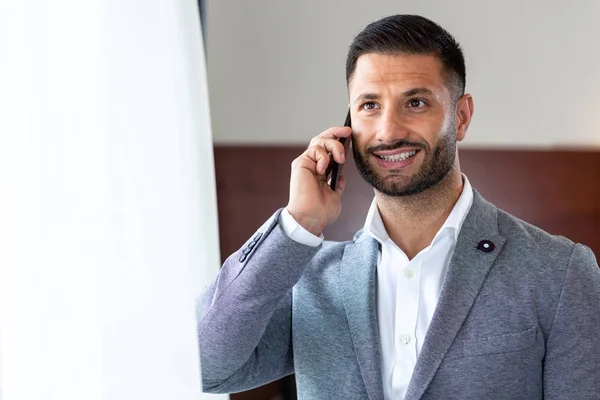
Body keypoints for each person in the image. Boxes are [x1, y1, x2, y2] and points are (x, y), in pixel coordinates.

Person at [197, 14, 600, 400]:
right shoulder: (310, 280)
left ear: (460, 117)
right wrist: (297, 224)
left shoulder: (560, 272)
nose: (388, 131)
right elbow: (207, 365)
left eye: (416, 103)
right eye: (369, 105)